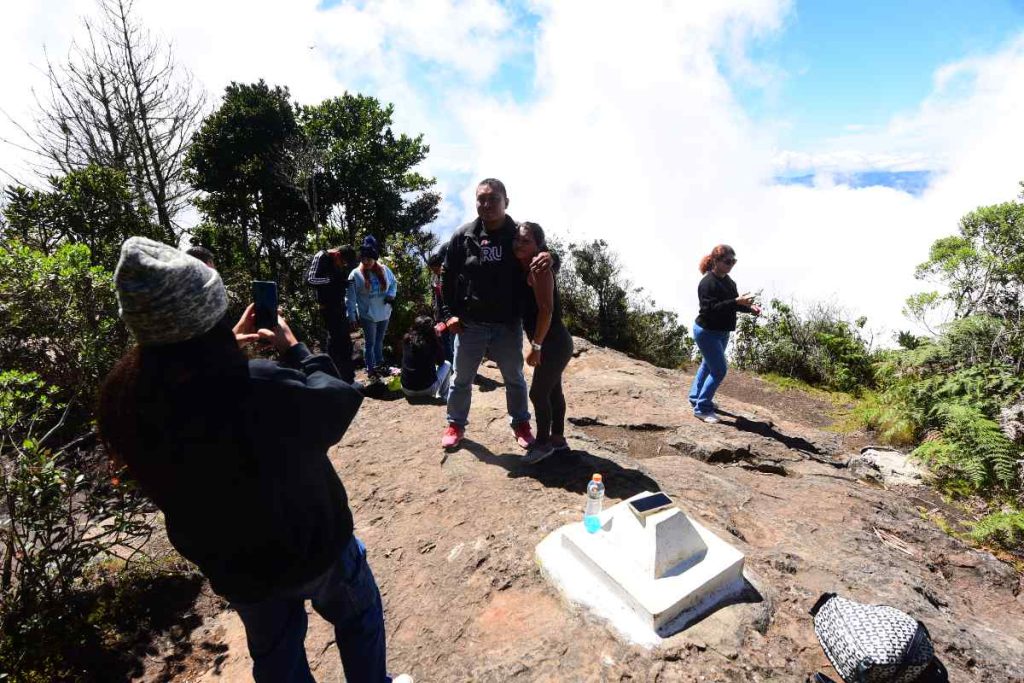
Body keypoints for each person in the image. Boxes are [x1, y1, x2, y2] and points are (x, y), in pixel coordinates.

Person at [97, 237, 411, 683]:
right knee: (358, 619)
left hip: (239, 569)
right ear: (208, 312)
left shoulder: (129, 403)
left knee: (276, 656)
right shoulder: (257, 383)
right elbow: (337, 403)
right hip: (314, 546)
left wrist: (222, 342)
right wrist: (296, 350)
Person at [439, 178, 553, 450]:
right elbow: (446, 274)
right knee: (461, 378)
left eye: (493, 199)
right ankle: (455, 424)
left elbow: (539, 252)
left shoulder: (516, 234)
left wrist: (551, 257)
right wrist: (447, 314)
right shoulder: (464, 236)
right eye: (481, 199)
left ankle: (521, 424)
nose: (486, 204)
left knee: (514, 377)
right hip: (470, 323)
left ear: (506, 202)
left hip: (507, 323)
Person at [513, 221, 574, 464]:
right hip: (555, 341)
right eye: (517, 239)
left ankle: (543, 443)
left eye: (526, 241)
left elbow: (546, 310)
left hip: (553, 343)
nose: (519, 244)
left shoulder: (539, 268)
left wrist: (536, 346)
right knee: (552, 390)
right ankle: (557, 438)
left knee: (538, 394)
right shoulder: (524, 265)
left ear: (538, 245)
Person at [689, 244, 760, 424]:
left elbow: (733, 305)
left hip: (721, 332)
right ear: (715, 261)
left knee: (708, 365)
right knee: (719, 370)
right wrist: (736, 301)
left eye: (733, 261)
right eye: (727, 261)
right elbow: (710, 309)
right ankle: (702, 408)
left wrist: (749, 308)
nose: (731, 264)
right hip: (706, 332)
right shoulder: (707, 283)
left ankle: (695, 397)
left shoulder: (729, 282)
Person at [348, 236, 397, 380]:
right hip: (368, 315)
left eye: (369, 258)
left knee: (379, 341)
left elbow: (394, 283)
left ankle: (379, 365)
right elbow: (350, 298)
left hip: (384, 312)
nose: (366, 261)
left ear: (375, 258)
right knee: (370, 343)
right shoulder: (355, 274)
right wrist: (351, 316)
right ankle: (370, 369)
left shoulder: (384, 269)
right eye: (363, 258)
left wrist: (391, 295)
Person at [307, 244, 358, 383]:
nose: (343, 265)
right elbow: (310, 279)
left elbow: (337, 281)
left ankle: (349, 378)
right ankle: (334, 378)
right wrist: (331, 280)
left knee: (346, 342)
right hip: (328, 307)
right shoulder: (321, 256)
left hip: (340, 306)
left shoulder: (339, 263)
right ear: (337, 254)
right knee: (334, 342)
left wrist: (343, 282)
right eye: (342, 262)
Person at [400, 314, 452, 400]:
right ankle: (443, 396)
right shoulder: (431, 342)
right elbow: (441, 362)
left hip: (406, 388)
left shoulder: (407, 339)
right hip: (426, 389)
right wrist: (438, 338)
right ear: (431, 329)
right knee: (447, 364)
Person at [427, 248, 454, 364]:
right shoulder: (434, 278)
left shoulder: (449, 275)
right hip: (440, 314)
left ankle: (458, 366)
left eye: (435, 267)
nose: (434, 270)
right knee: (444, 341)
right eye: (432, 268)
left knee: (454, 341)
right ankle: (450, 365)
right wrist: (434, 309)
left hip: (451, 313)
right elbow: (434, 296)